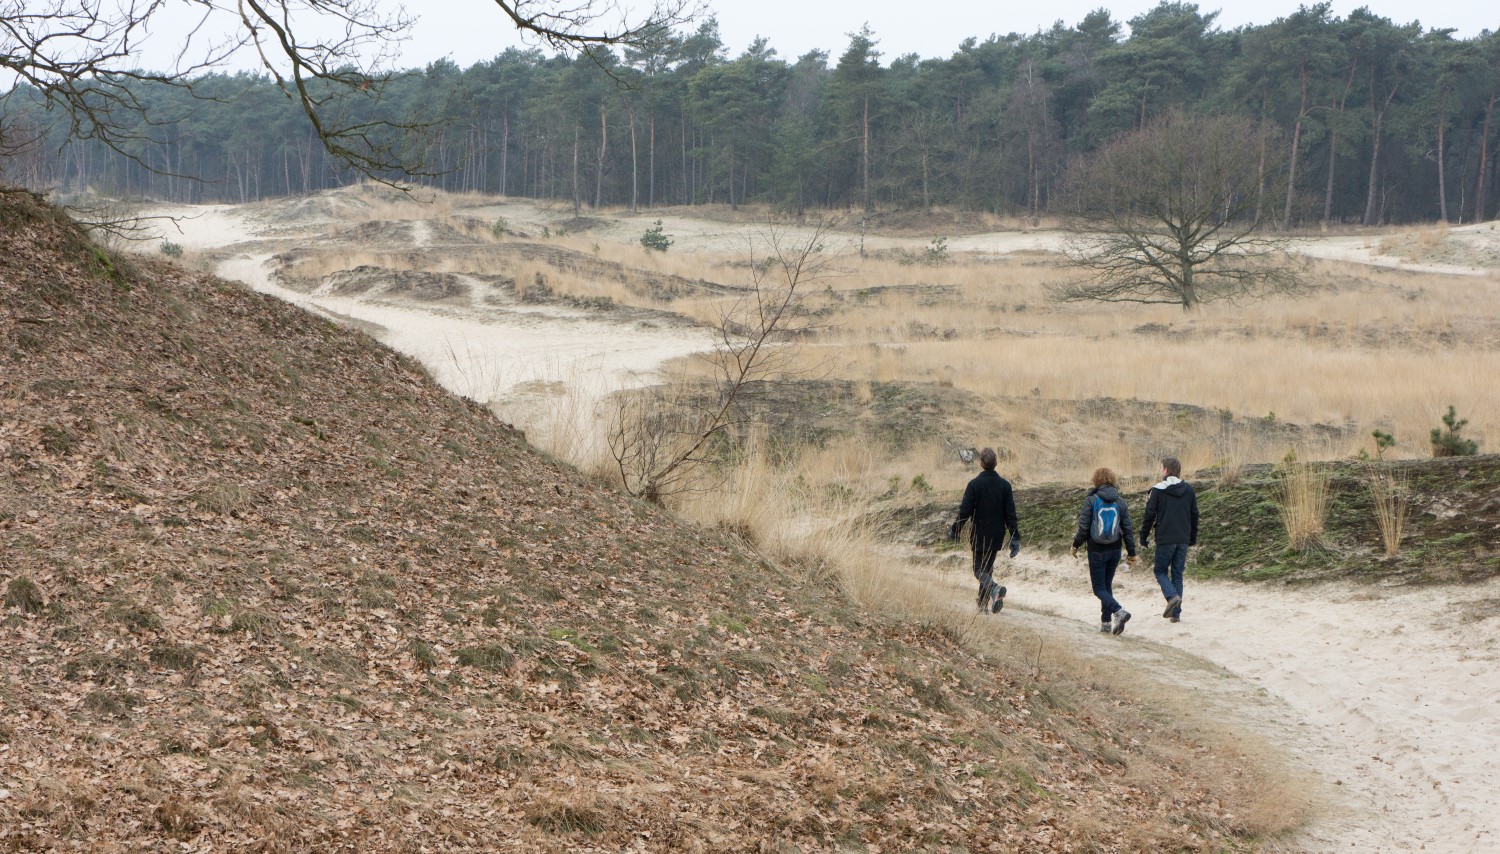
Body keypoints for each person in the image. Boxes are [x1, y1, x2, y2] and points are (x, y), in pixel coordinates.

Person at [949, 447, 1020, 614]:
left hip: (980, 533)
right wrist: (1015, 537)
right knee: (987, 569)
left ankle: (994, 589)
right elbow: (1010, 514)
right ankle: (982, 606)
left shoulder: (974, 485)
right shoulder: (1005, 486)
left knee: (979, 570)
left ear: (981, 463)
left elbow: (964, 511)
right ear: (996, 463)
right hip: (997, 535)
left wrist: (955, 530)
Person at [1070, 467, 1138, 635]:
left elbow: (1084, 528)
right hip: (1115, 550)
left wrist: (1075, 545)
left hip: (1097, 550)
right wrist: (1131, 553)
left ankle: (1119, 611)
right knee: (1106, 586)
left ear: (1096, 480)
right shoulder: (1120, 502)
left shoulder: (1091, 500)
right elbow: (1127, 530)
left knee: (1099, 588)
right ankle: (1106, 623)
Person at [1140, 456, 1199, 623]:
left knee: (1160, 571)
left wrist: (1143, 537)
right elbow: (1194, 514)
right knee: (1177, 574)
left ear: (1165, 470)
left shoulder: (1158, 490)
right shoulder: (1188, 489)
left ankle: (1172, 597)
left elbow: (1149, 515)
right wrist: (1192, 538)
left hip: (1165, 538)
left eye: (1161, 468)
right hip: (1182, 538)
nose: (1160, 471)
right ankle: (1176, 614)